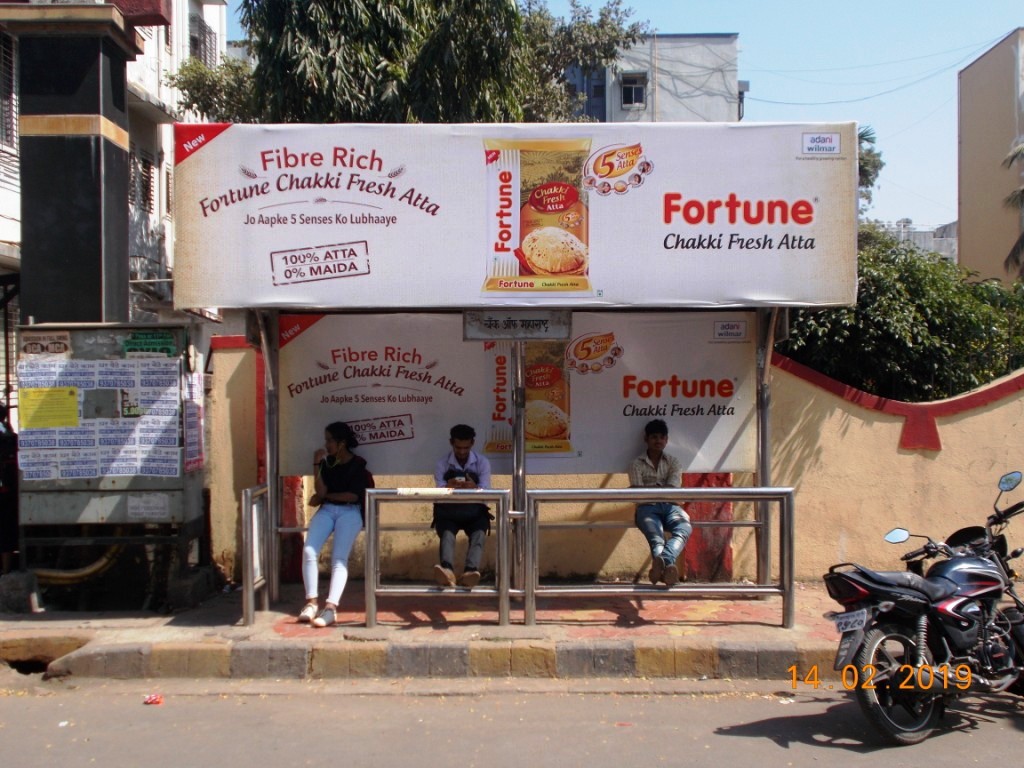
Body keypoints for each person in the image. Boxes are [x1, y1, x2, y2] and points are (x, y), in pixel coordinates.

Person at [298, 421, 369, 628]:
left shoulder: (358, 464)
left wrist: (324, 496)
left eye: (330, 440)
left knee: (339, 558)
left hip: (350, 510)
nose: (326, 444)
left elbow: (352, 494)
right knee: (309, 550)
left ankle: (330, 608)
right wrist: (316, 464)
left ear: (342, 443)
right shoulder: (328, 463)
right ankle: (311, 602)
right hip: (328, 509)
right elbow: (319, 492)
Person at [629, 419, 692, 587]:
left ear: (667, 440)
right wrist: (661, 489)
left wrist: (650, 489)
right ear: (646, 439)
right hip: (647, 509)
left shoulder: (674, 462)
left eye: (662, 437)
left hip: (671, 507)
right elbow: (638, 496)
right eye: (654, 437)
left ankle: (663, 562)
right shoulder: (636, 464)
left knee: (684, 527)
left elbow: (672, 489)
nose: (658, 441)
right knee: (657, 539)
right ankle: (668, 567)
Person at [432, 424, 492, 589]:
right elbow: (437, 491)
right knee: (447, 534)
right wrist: (448, 487)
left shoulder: (482, 462)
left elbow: (487, 490)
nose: (462, 452)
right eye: (458, 447)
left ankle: (470, 573)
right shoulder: (442, 463)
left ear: (472, 443)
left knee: (479, 533)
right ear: (451, 443)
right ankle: (447, 571)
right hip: (448, 511)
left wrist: (474, 487)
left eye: (466, 447)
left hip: (474, 512)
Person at [0, 403, 17, 575]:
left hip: (4, 490)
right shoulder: (10, 435)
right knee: (6, 531)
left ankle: (5, 569)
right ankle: (5, 569)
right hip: (8, 491)